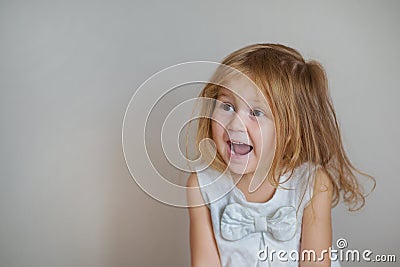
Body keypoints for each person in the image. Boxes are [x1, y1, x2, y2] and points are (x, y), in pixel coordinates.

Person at [186, 43, 374, 267]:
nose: (235, 124)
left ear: (290, 130)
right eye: (227, 106)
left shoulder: (312, 184)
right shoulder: (202, 186)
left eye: (256, 112)